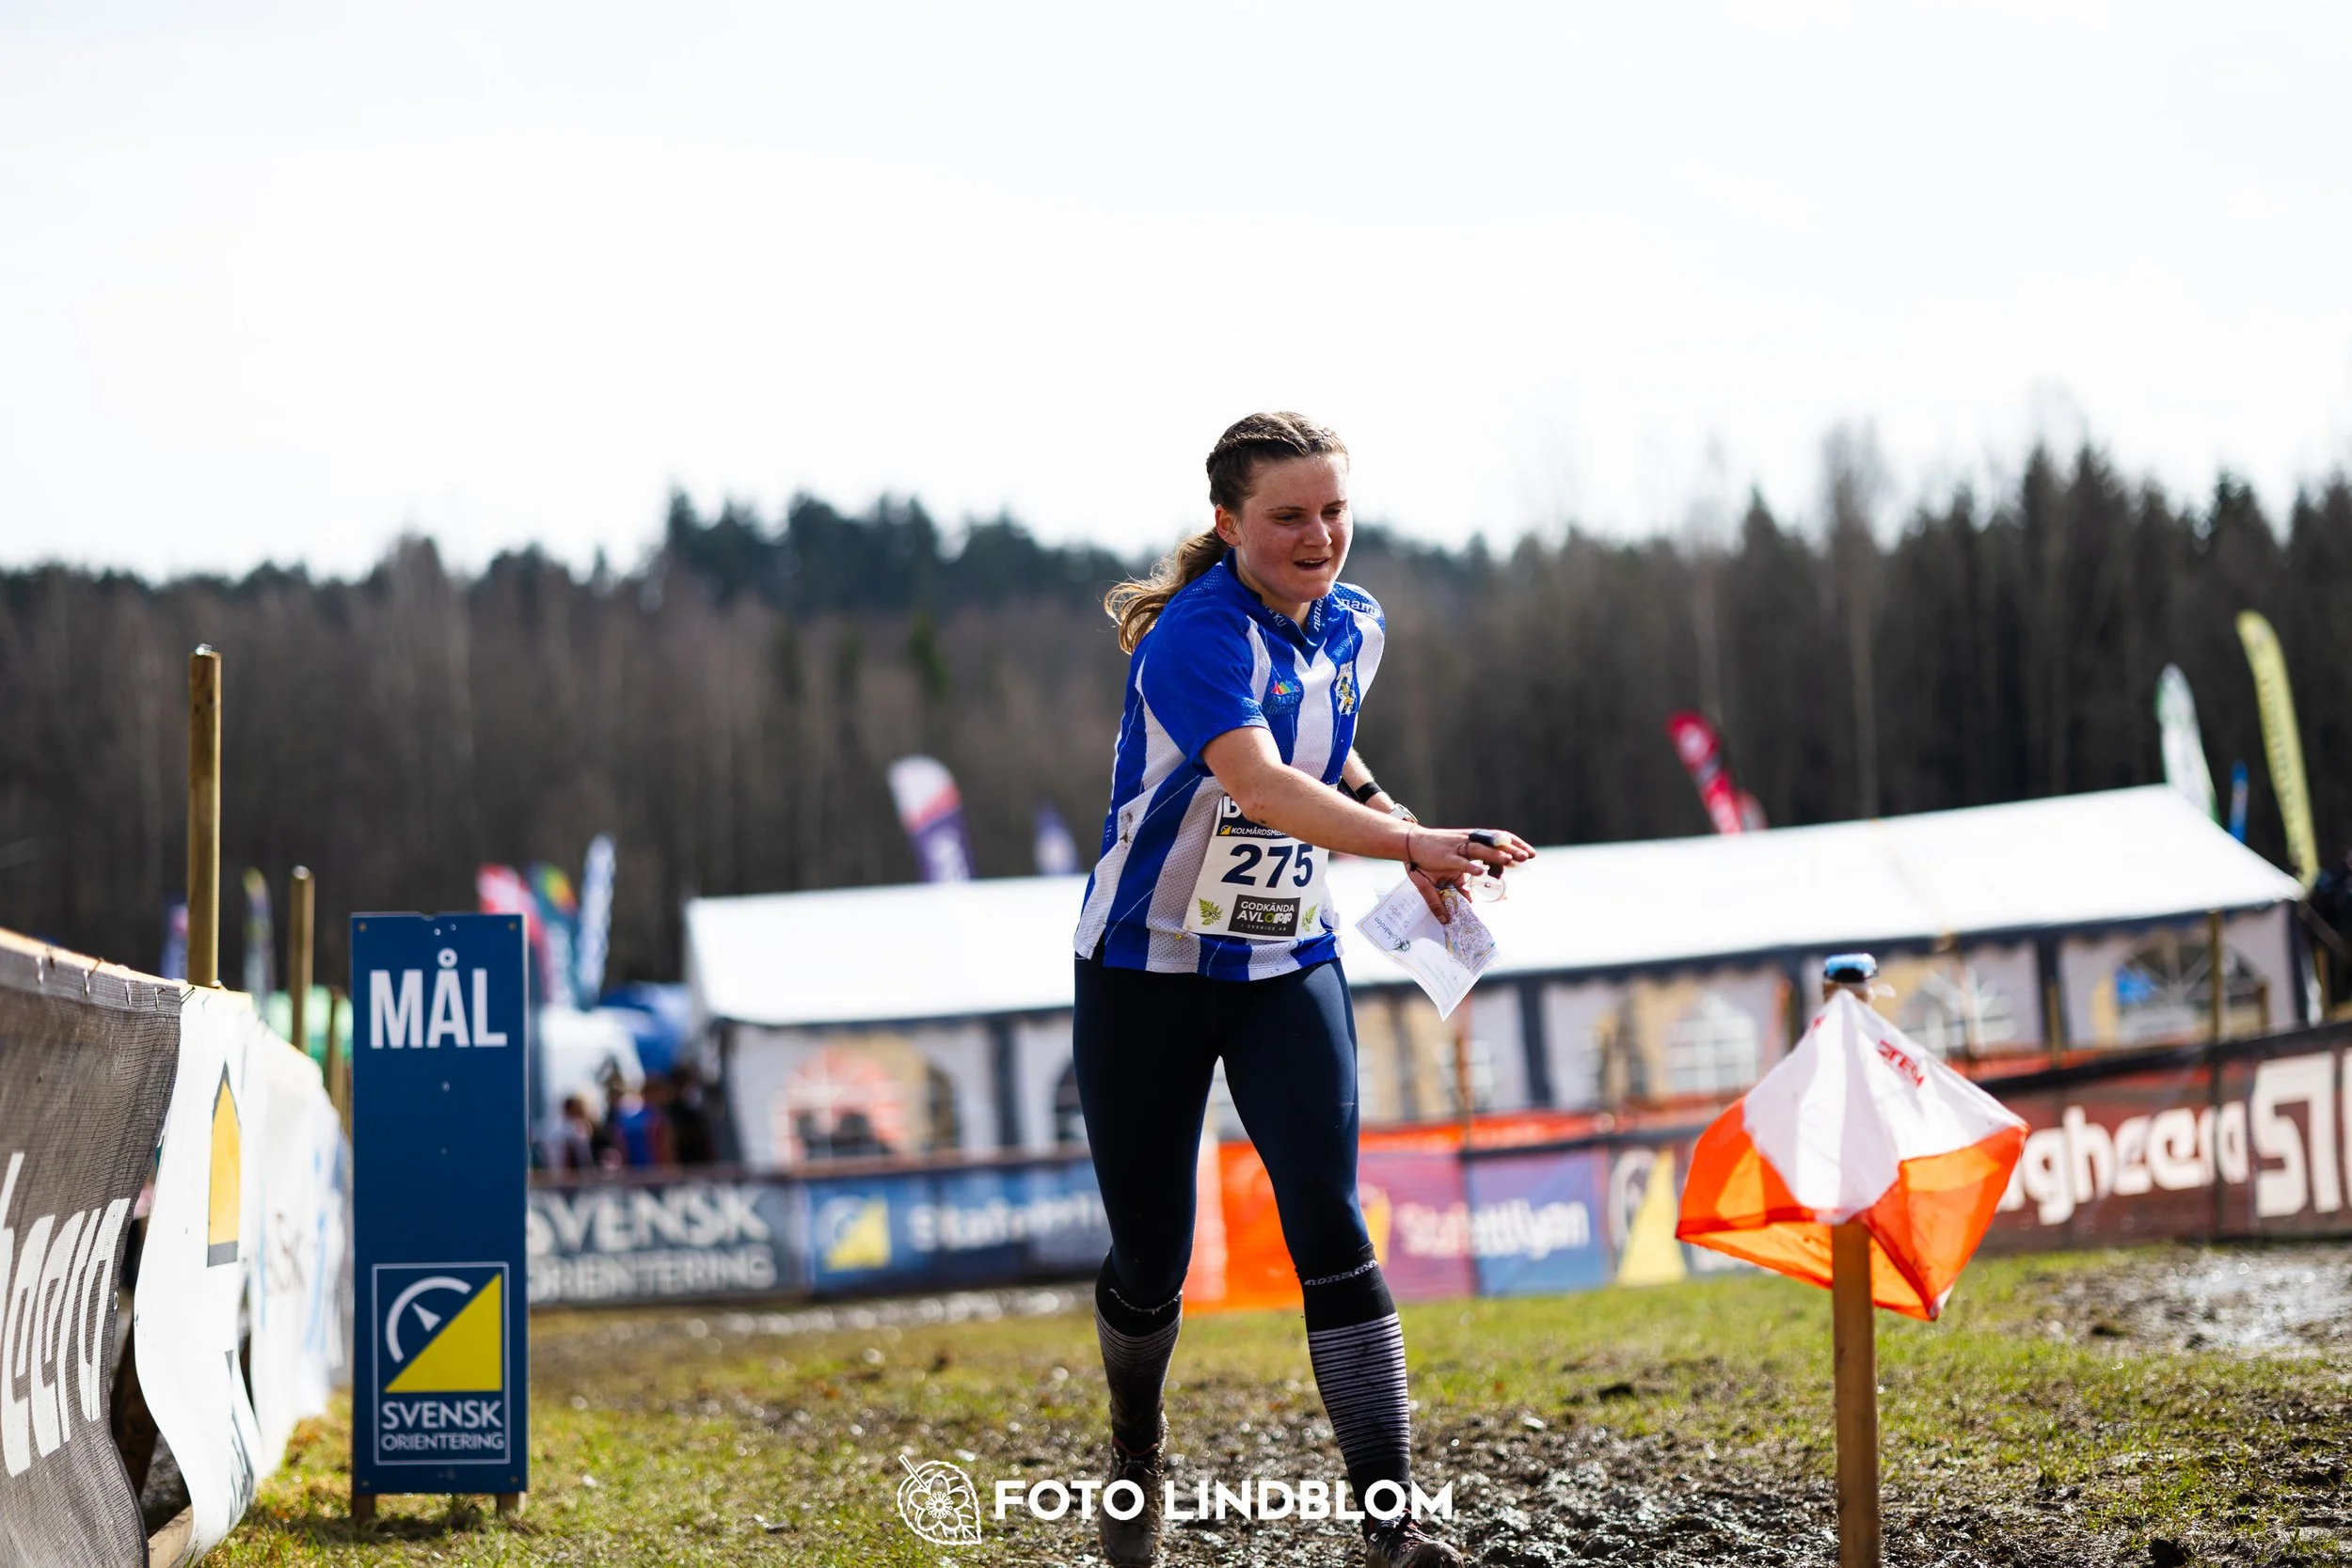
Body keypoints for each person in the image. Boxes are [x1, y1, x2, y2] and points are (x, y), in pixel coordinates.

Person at [1072, 413, 1534, 1568]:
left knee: (1328, 1214)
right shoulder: (1194, 636)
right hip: (1146, 972)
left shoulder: (1356, 623)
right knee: (1150, 1261)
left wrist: (1400, 831)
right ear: (1229, 524)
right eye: (1287, 515)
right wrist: (1412, 841)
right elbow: (1265, 786)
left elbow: (1334, 765)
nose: (1317, 535)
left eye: (1333, 510)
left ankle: (1389, 1520)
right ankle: (1136, 1449)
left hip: (1286, 962)